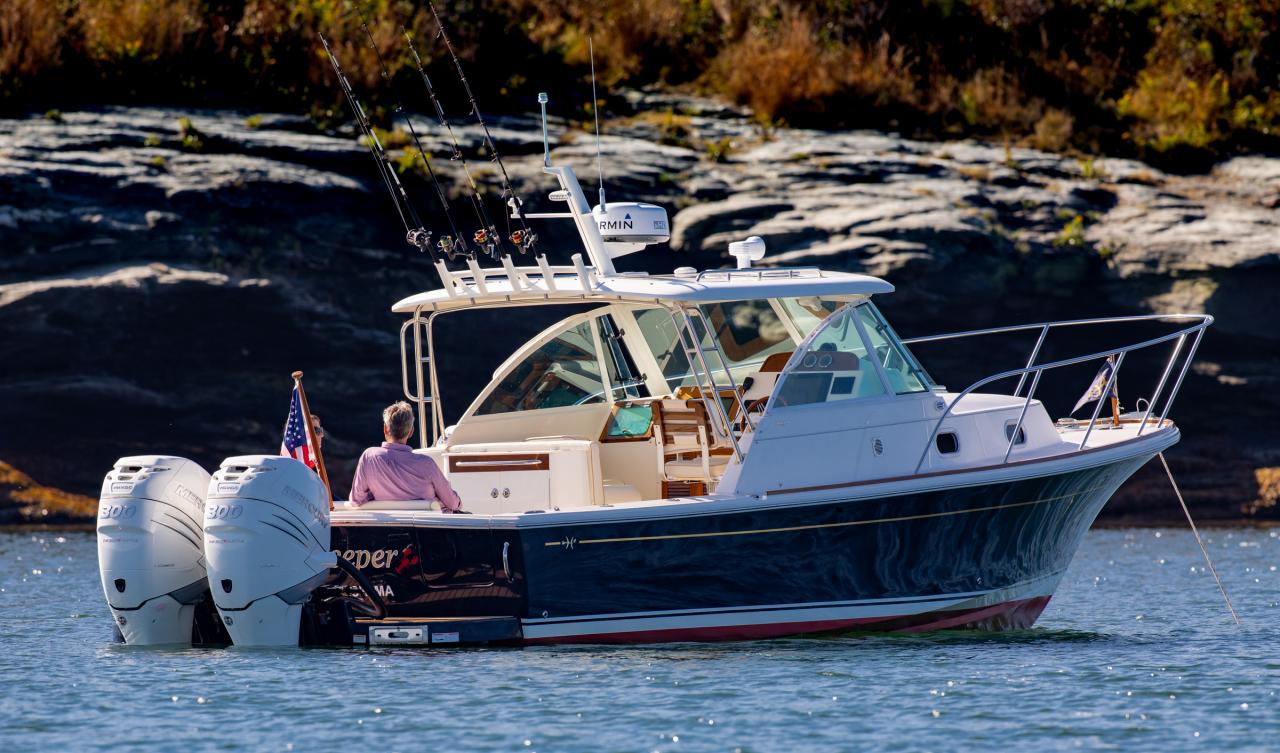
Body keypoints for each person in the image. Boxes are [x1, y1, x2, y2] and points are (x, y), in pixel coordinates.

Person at [349, 401, 462, 512]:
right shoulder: (426, 463)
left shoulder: (369, 457)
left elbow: (356, 500)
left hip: (387, 523)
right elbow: (452, 503)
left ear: (385, 429)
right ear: (411, 432)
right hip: (425, 523)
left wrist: (374, 495)